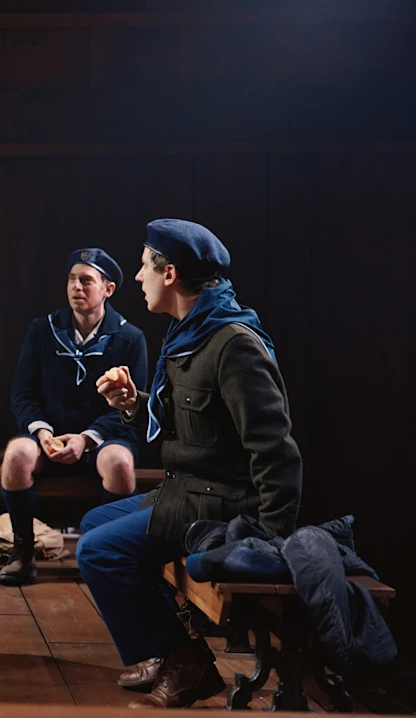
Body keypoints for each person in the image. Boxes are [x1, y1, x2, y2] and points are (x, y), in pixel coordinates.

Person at [83, 219, 302, 709]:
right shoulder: (190, 333)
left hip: (218, 504)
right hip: (188, 489)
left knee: (98, 552)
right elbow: (187, 424)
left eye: (143, 268)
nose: (138, 278)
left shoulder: (232, 344)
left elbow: (277, 450)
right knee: (95, 522)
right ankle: (168, 651)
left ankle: (188, 661)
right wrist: (133, 404)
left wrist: (271, 538)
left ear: (171, 274)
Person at [0, 248, 148, 586]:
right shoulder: (43, 330)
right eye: (71, 280)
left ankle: (110, 556)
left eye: (86, 280)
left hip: (102, 438)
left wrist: (87, 437)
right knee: (16, 455)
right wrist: (42, 433)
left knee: (121, 463)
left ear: (108, 289)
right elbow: (22, 393)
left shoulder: (129, 338)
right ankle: (23, 552)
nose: (76, 287)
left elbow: (131, 405)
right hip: (47, 437)